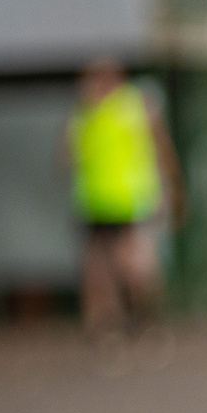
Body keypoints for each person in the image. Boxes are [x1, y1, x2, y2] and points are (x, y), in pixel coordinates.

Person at [63, 57, 184, 335]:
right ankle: (105, 327)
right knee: (97, 270)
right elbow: (67, 157)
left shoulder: (136, 105)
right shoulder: (84, 112)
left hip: (132, 200)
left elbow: (161, 146)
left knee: (134, 267)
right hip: (94, 202)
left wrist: (173, 187)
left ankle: (144, 318)